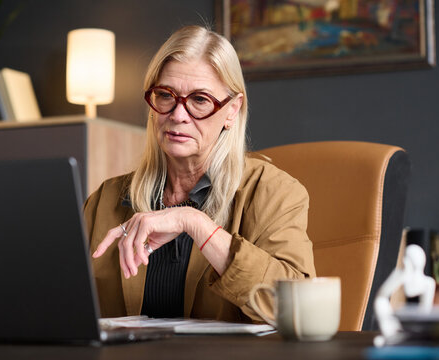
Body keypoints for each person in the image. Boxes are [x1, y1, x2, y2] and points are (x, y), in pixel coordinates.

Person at [86, 25, 316, 323]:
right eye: (166, 95)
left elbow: (301, 310)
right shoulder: (105, 199)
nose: (178, 114)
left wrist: (194, 223)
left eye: (200, 100)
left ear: (232, 110)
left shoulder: (275, 191)